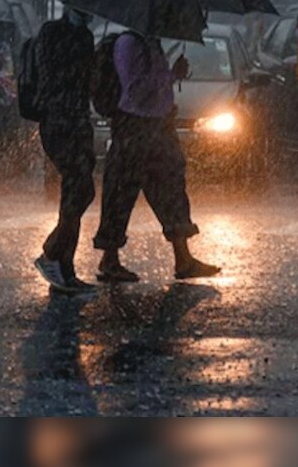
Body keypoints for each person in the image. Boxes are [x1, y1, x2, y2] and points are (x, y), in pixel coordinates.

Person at [93, 31, 220, 283]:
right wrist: (168, 76)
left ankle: (183, 258)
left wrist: (173, 75)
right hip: (135, 127)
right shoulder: (129, 44)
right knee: (121, 192)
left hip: (159, 126)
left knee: (171, 189)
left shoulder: (152, 43)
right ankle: (109, 259)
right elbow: (135, 90)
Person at [32, 9, 97, 294]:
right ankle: (56, 259)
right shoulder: (52, 32)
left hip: (79, 119)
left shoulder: (85, 35)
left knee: (82, 191)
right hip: (58, 120)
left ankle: (58, 258)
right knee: (77, 189)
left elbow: (87, 82)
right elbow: (54, 73)